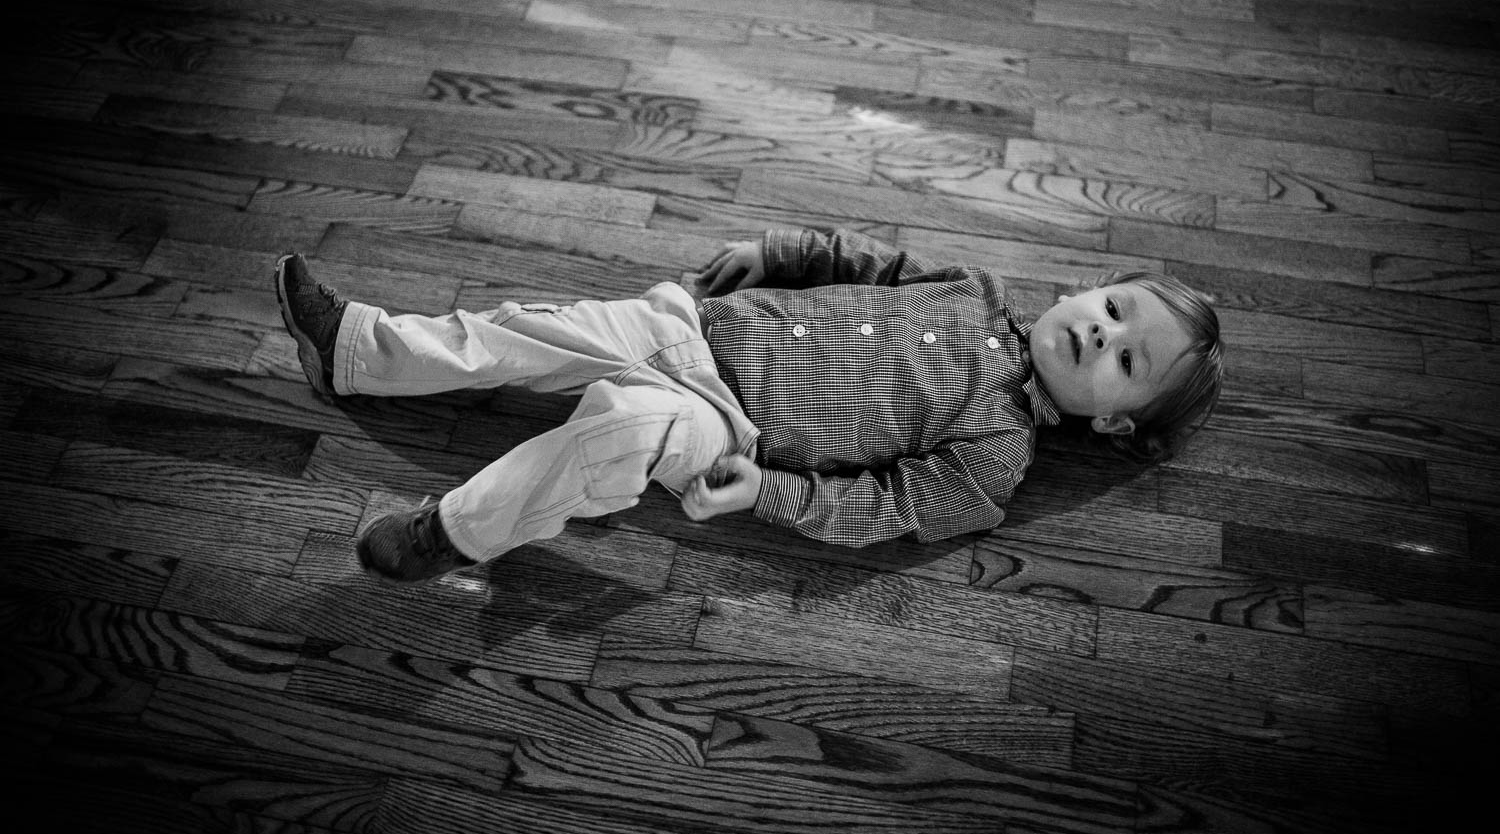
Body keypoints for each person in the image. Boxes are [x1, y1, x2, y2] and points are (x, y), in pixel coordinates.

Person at [274, 228, 1224, 582]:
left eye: (1126, 358)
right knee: (530, 329)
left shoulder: (997, 449)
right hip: (692, 325)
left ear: (1112, 421)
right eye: (1111, 308)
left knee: (615, 434)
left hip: (729, 430)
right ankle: (355, 350)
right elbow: (862, 263)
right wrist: (778, 253)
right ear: (1089, 286)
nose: (1101, 333)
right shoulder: (972, 288)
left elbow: (885, 509)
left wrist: (762, 494)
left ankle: (452, 534)